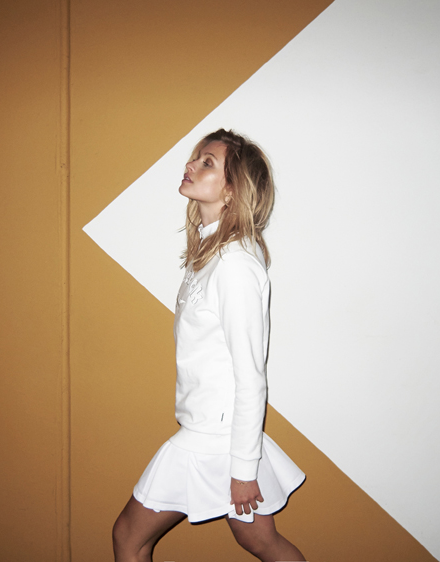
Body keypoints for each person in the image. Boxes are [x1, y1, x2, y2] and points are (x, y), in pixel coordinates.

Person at [112, 129, 306, 562]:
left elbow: (251, 376)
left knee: (128, 537)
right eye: (196, 158)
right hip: (212, 428)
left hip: (213, 436)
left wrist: (243, 471)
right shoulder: (212, 253)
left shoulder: (234, 265)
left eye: (207, 163)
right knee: (259, 541)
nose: (191, 165)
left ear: (233, 190)